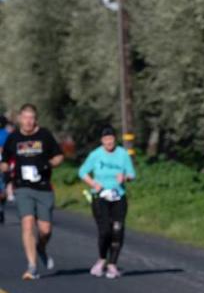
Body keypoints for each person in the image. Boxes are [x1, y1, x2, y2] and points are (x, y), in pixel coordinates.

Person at [0, 104, 64, 279]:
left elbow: (59, 156)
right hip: (22, 187)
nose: (28, 121)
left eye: (32, 118)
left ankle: (41, 248)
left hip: (43, 187)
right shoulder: (13, 138)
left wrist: (49, 164)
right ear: (20, 118)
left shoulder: (44, 135)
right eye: (25, 117)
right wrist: (5, 169)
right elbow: (5, 160)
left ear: (36, 119)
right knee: (27, 224)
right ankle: (32, 266)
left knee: (46, 229)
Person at [78, 125, 137, 279]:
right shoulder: (96, 155)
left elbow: (132, 174)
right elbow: (82, 171)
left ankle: (112, 265)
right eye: (106, 140)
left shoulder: (122, 154)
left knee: (118, 229)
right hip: (100, 197)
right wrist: (92, 183)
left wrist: (124, 178)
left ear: (114, 140)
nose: (109, 142)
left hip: (118, 197)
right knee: (105, 230)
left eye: (111, 139)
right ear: (102, 141)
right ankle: (102, 259)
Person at [0, 115, 12, 224]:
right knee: (3, 187)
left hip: (3, 163)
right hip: (5, 164)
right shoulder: (8, 135)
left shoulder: (7, 135)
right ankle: (1, 208)